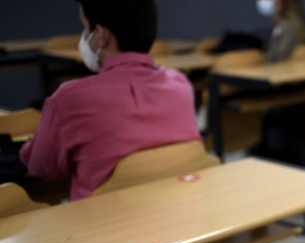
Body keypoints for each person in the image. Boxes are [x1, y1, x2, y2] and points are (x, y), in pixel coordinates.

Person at [20, 0, 201, 200]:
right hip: (175, 217)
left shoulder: (71, 99)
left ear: (101, 36)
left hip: (100, 226)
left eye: (85, 28)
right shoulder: (181, 85)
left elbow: (41, 167)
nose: (84, 37)